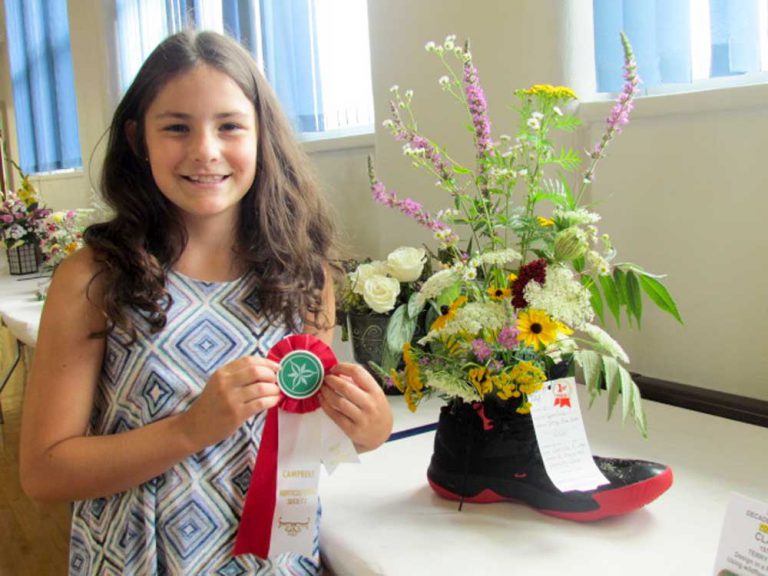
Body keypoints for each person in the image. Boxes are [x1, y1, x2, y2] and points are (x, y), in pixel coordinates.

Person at [19, 29, 392, 575]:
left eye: (230, 126)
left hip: (274, 559)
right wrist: (189, 428)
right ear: (137, 138)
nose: (205, 151)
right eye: (176, 128)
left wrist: (366, 428)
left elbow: (297, 439)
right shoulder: (93, 279)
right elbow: (45, 472)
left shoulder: (304, 278)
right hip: (141, 559)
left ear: (262, 135)